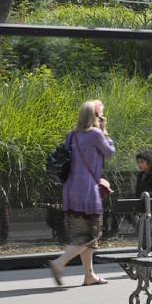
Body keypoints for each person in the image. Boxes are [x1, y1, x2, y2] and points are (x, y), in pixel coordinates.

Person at [49, 98, 114, 287]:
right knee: (92, 234)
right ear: (95, 115)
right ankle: (59, 262)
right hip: (88, 191)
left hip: (71, 190)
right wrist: (104, 130)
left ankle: (89, 275)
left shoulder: (72, 135)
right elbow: (109, 152)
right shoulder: (95, 134)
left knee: (81, 233)